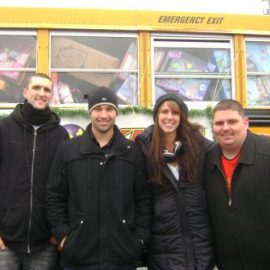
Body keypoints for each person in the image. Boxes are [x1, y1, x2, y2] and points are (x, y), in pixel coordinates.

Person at [46, 86, 152, 270]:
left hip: (122, 256)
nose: (104, 115)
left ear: (116, 112)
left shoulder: (132, 151)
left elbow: (143, 198)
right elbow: (54, 196)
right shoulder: (68, 150)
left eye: (109, 109)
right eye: (98, 109)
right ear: (90, 112)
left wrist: (139, 238)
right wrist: (64, 235)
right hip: (79, 256)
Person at [135, 93, 215, 270]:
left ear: (182, 117)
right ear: (156, 116)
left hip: (199, 247)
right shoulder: (143, 148)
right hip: (164, 247)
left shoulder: (199, 145)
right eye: (164, 112)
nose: (169, 117)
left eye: (175, 113)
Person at [0, 73, 69, 269]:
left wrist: (60, 230)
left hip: (45, 242)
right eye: (36, 88)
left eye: (47, 89)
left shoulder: (60, 135)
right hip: (5, 242)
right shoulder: (4, 129)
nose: (41, 93)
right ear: (25, 92)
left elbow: (67, 186)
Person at [204, 99, 270, 270]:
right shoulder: (207, 160)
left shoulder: (267, 151)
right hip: (228, 263)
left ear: (246, 123)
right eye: (219, 123)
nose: (225, 128)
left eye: (232, 121)